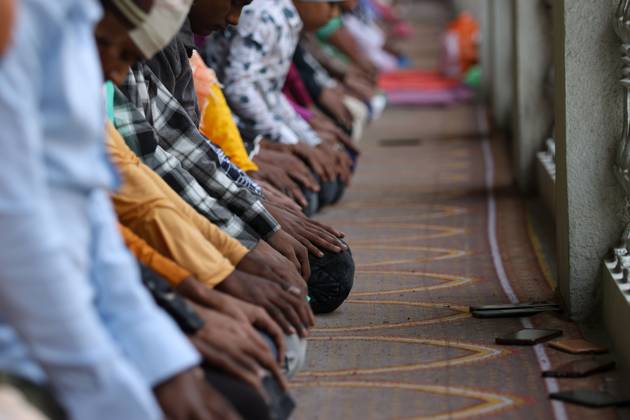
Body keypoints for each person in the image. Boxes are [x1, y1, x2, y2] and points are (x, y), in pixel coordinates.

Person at [0, 0, 238, 419]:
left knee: (242, 389)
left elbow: (95, 216)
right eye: (121, 53)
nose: (117, 75)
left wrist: (166, 361)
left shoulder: (78, 23)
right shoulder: (18, 22)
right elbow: (18, 225)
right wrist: (203, 288)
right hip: (31, 330)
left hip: (72, 307)